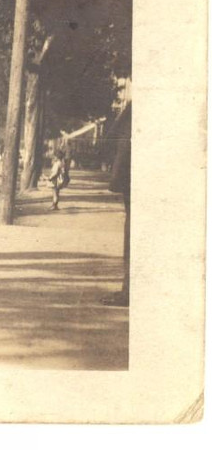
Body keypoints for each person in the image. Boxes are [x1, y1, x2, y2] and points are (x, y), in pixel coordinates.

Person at [102, 102, 131, 307]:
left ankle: (129, 291)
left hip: (132, 175)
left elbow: (110, 139)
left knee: (133, 232)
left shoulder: (135, 106)